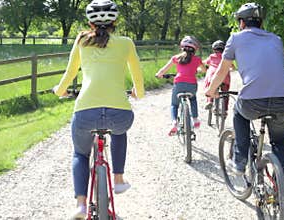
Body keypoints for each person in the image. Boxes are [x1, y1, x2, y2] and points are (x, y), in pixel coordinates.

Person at [52, 0, 144, 218]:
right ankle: (119, 180)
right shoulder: (126, 43)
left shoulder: (82, 40)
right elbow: (137, 74)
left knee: (80, 154)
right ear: (115, 21)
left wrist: (59, 90)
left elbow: (70, 72)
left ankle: (81, 205)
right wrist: (138, 93)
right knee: (120, 133)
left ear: (89, 22)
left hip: (85, 111)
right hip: (119, 112)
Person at [205, 2, 284, 182]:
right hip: (282, 99)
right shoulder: (276, 39)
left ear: (242, 23)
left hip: (252, 101)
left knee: (239, 113)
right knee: (280, 140)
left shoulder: (236, 38)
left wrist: (211, 90)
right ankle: (279, 184)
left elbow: (222, 70)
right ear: (261, 23)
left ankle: (240, 160)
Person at [156, 35, 207, 136]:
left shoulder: (176, 58)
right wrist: (197, 70)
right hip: (192, 85)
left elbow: (163, 70)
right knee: (193, 99)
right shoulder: (197, 59)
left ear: (182, 47)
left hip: (179, 84)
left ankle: (174, 122)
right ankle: (195, 118)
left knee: (174, 105)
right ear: (195, 49)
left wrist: (159, 74)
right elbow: (204, 70)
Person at [203, 40, 234, 112]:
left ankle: (209, 101)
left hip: (213, 75)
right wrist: (231, 69)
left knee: (210, 87)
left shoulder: (211, 56)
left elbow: (204, 62)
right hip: (224, 76)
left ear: (214, 49)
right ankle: (225, 109)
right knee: (225, 92)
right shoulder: (226, 57)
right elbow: (232, 67)